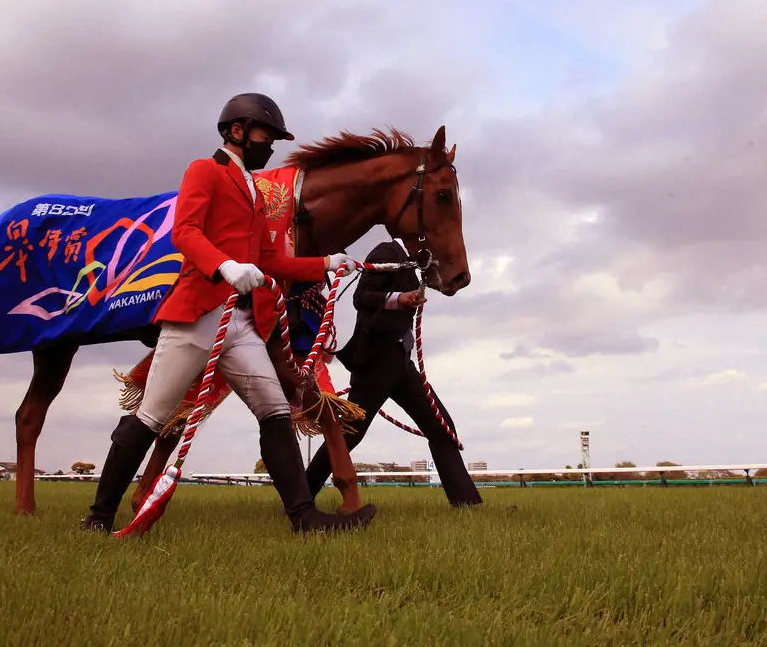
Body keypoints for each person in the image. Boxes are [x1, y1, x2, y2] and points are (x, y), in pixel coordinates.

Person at [82, 93, 377, 534]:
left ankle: (305, 518)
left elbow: (271, 261)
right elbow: (185, 230)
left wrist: (326, 263)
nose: (271, 145)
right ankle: (99, 517)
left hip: (240, 324)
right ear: (237, 132)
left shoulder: (255, 191)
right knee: (152, 416)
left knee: (275, 410)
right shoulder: (205, 171)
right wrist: (224, 265)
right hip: (197, 316)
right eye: (266, 135)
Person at [305, 239, 482, 508]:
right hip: (375, 363)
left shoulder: (412, 263)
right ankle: (301, 496)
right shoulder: (387, 252)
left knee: (441, 426)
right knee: (349, 434)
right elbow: (360, 297)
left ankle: (467, 504)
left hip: (401, 364)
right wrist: (399, 299)